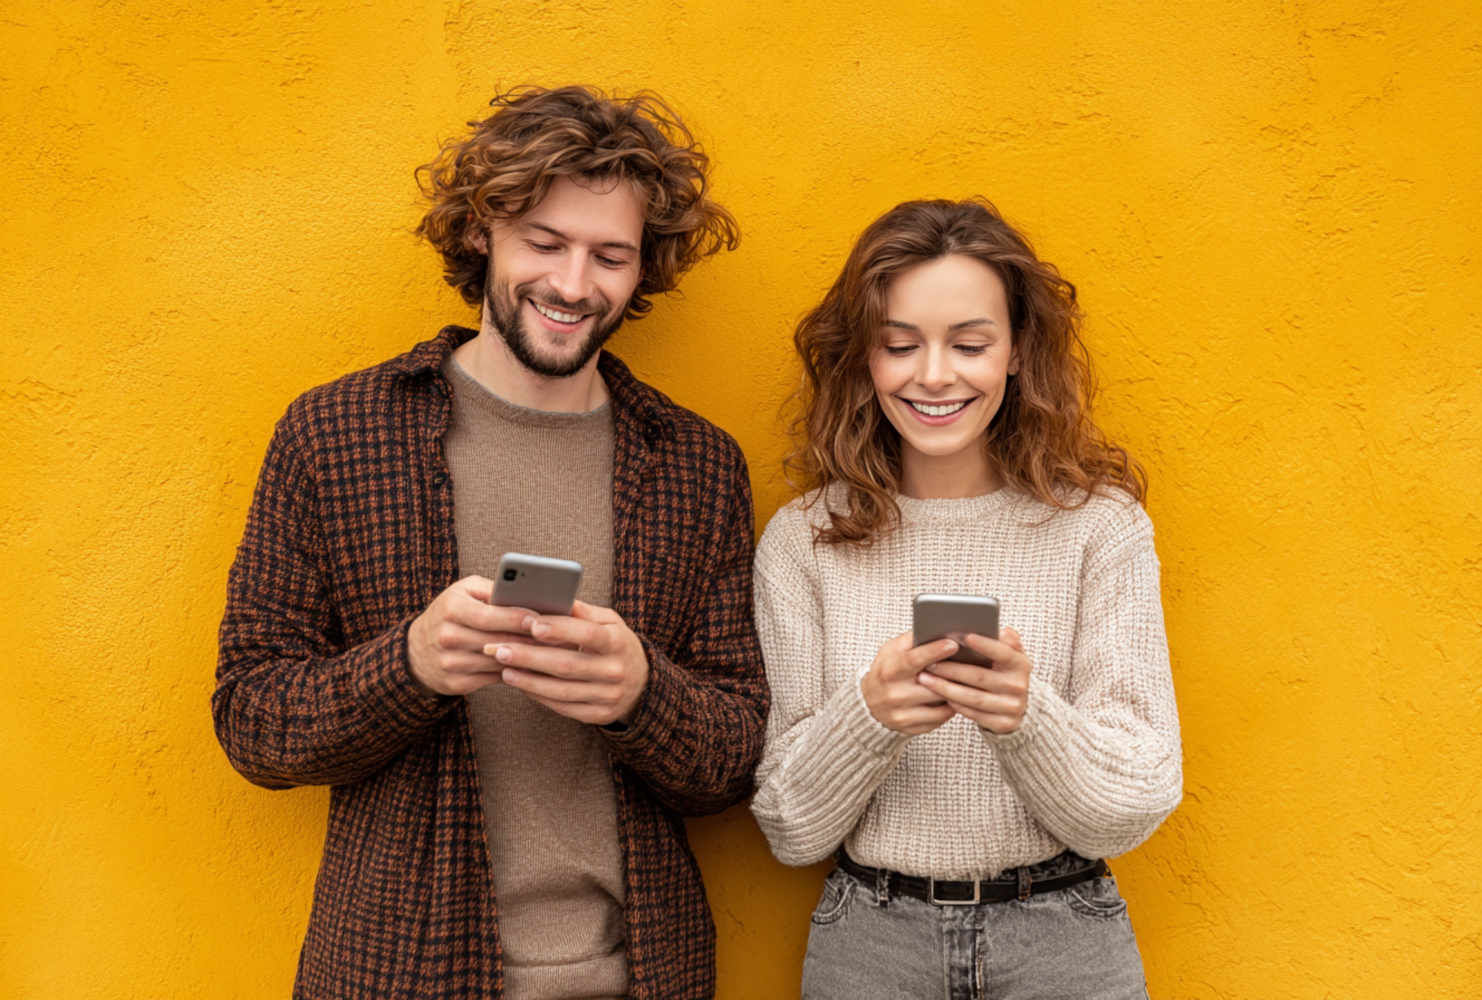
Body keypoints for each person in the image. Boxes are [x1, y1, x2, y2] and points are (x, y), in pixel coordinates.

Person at [212, 85, 768, 1000]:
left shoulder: (695, 463)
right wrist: (410, 664)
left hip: (645, 974)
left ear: (644, 272)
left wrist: (641, 692)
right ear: (480, 231)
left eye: (610, 257)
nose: (573, 284)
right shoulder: (337, 433)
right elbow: (253, 721)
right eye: (545, 243)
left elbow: (735, 755)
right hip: (398, 973)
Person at [751, 198, 1181, 999]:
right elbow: (789, 828)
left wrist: (1027, 717)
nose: (936, 374)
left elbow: (1132, 805)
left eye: (971, 344)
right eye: (901, 345)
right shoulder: (803, 541)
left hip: (1064, 938)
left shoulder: (1099, 527)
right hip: (871, 944)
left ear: (1018, 351)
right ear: (864, 360)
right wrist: (868, 716)